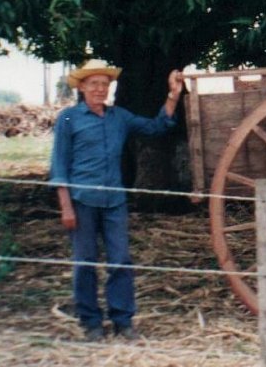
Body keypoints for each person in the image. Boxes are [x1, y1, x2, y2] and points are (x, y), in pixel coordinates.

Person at [49, 59, 183, 342]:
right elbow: (59, 166)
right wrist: (66, 207)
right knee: (85, 262)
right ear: (82, 87)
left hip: (114, 202)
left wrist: (174, 94)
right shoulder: (69, 118)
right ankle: (91, 323)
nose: (100, 89)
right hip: (82, 201)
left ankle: (123, 321)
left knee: (120, 261)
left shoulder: (119, 117)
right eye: (94, 84)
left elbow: (157, 127)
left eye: (105, 84)